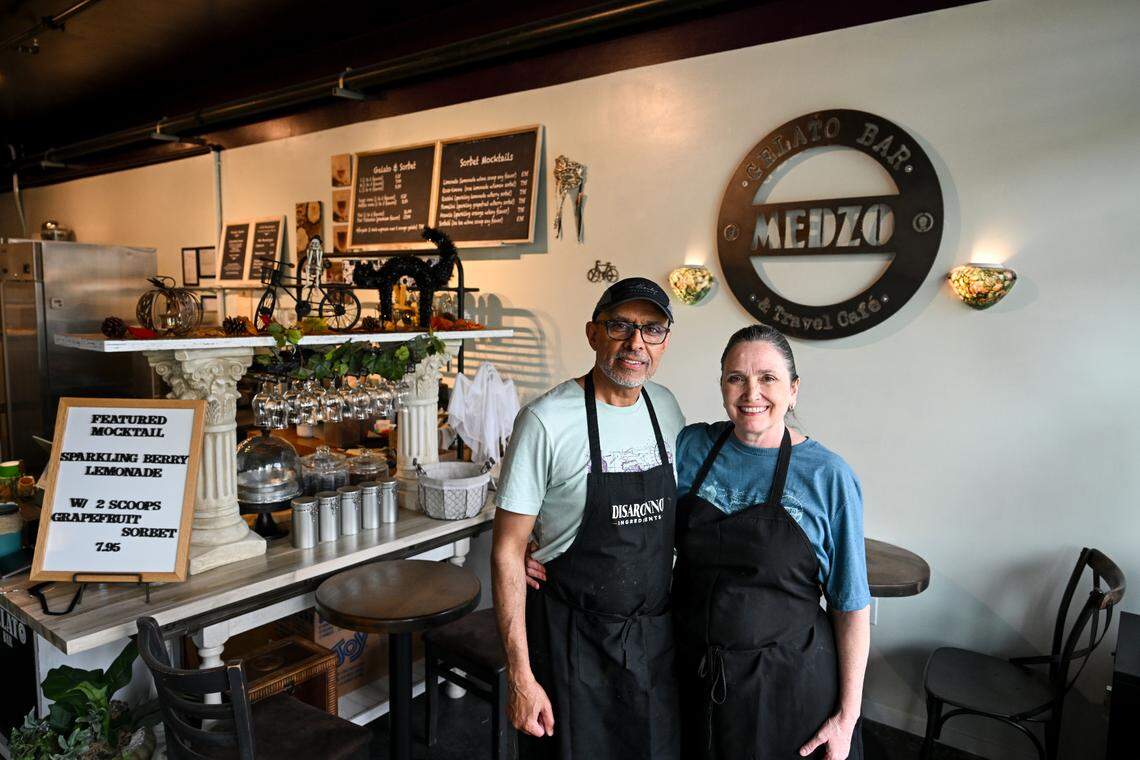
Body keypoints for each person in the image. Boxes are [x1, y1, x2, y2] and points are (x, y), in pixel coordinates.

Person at [491, 277, 685, 760]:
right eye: (619, 326)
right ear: (592, 333)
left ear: (665, 341)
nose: (635, 343)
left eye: (652, 329)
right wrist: (520, 676)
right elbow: (508, 550)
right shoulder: (545, 420)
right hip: (571, 645)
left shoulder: (667, 407)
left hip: (653, 642)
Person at [673, 323, 870, 760]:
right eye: (736, 377)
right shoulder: (690, 447)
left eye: (768, 378)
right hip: (691, 673)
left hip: (785, 686)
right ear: (722, 385)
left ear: (794, 390)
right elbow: (635, 514)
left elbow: (851, 605)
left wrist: (847, 717)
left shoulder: (827, 476)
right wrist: (552, 540)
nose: (751, 392)